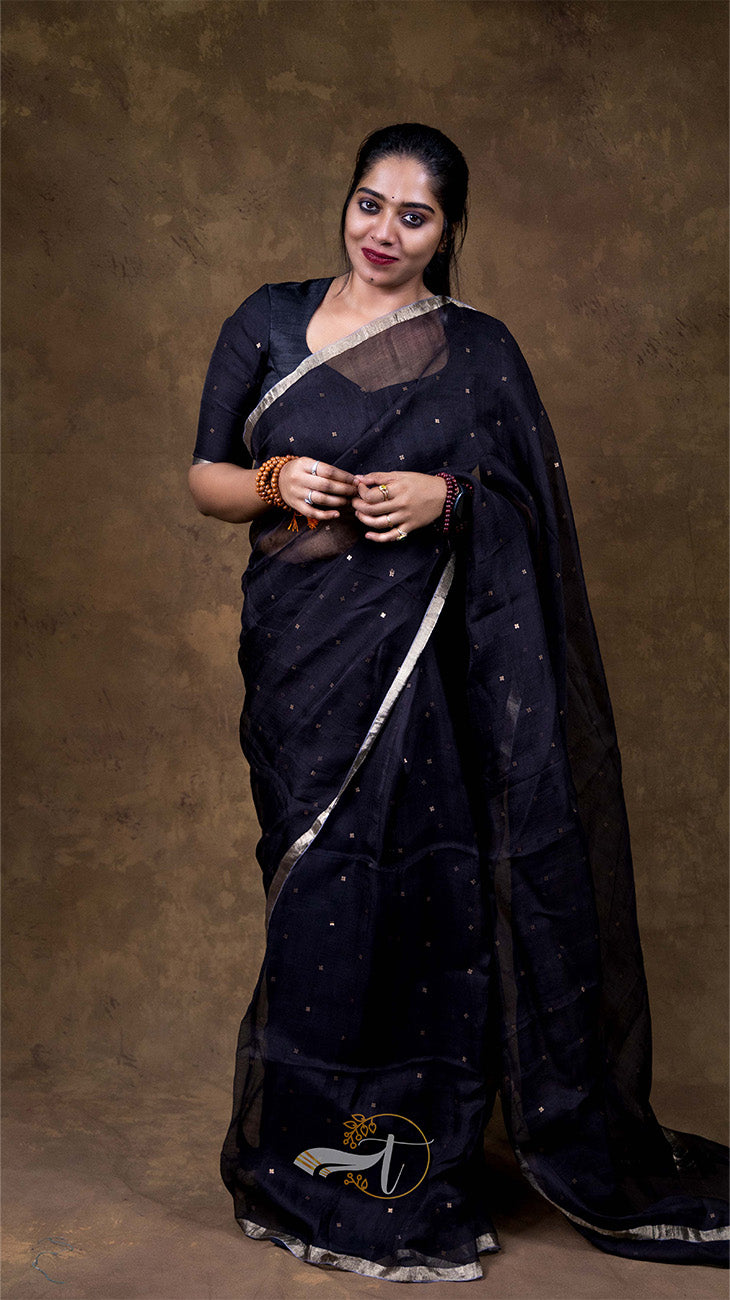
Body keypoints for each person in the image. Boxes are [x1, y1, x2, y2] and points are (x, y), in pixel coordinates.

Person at [189, 123, 728, 1282]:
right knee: (317, 901)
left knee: (427, 894)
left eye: (414, 215)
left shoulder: (477, 349)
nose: (383, 232)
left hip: (430, 678)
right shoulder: (267, 320)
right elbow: (205, 476)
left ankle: (416, 1151)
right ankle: (306, 1158)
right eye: (368, 204)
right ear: (346, 202)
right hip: (302, 670)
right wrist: (272, 479)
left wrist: (450, 498)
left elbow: (527, 505)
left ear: (447, 230)